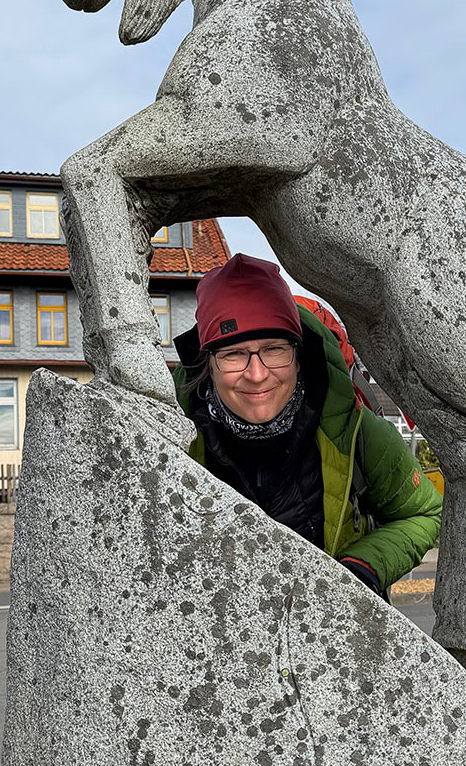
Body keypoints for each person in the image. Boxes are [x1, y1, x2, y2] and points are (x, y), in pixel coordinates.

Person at [173, 253, 441, 598]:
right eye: (234, 354)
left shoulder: (357, 433)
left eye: (273, 349)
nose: (256, 375)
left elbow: (422, 513)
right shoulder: (173, 437)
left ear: (298, 357)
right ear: (208, 363)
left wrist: (363, 568)